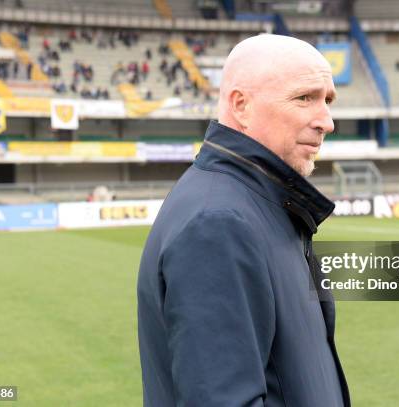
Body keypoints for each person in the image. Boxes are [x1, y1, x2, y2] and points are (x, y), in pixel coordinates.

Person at [137, 34, 350, 407]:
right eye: (305, 98)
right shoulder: (219, 223)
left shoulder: (260, 205)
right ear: (241, 106)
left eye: (327, 100)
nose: (326, 122)